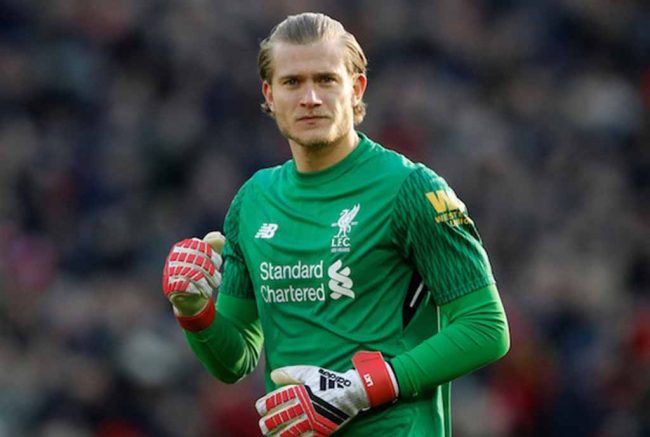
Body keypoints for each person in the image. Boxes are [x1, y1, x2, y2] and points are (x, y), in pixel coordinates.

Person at [162, 12, 510, 436]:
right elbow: (234, 361)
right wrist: (193, 309)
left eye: (326, 80)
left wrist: (361, 388)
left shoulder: (411, 189)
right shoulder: (253, 200)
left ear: (356, 88)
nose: (310, 97)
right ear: (269, 94)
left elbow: (486, 327)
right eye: (293, 82)